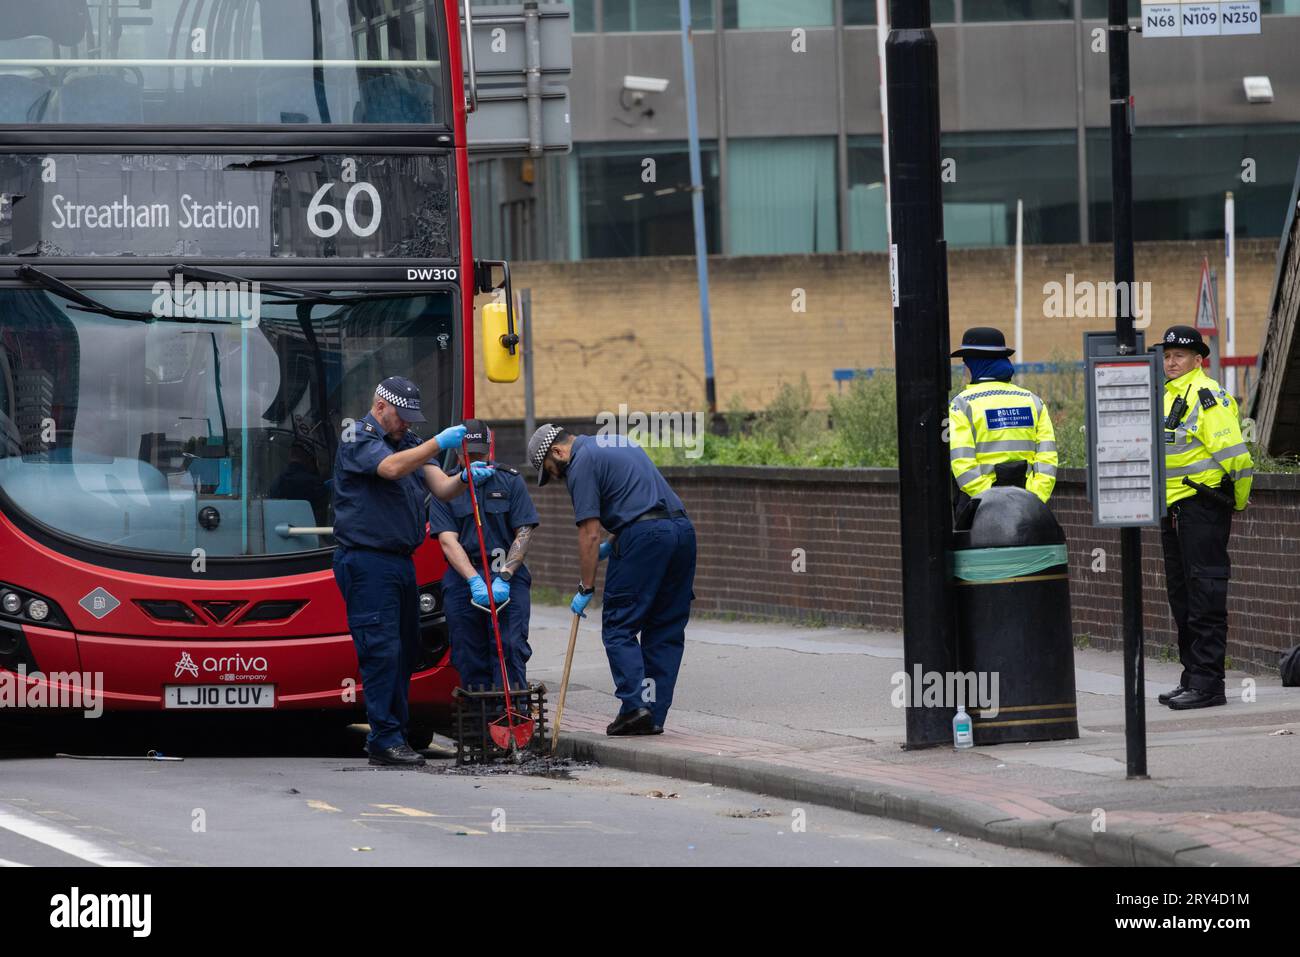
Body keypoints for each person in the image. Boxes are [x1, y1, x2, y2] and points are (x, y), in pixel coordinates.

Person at [331, 377, 492, 766]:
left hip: (399, 562)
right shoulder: (358, 435)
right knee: (381, 649)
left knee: (404, 651)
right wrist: (437, 442)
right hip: (367, 561)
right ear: (381, 407)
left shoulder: (407, 441)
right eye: (401, 417)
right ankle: (386, 739)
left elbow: (441, 488)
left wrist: (465, 479)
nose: (406, 424)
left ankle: (394, 735)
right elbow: (388, 469)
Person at [526, 424, 696, 736]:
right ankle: (653, 714)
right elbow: (640, 496)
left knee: (620, 625)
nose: (557, 479)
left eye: (552, 472)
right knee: (664, 628)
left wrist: (585, 587)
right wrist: (615, 540)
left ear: (557, 452)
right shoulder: (615, 442)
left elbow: (589, 534)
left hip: (643, 538)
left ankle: (634, 707)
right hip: (682, 532)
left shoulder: (580, 463)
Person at [1155, 326, 1253, 711]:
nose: (1171, 362)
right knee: (1182, 597)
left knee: (1206, 596)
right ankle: (1191, 677)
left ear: (1199, 360)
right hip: (1175, 510)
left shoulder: (1207, 396)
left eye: (1179, 355)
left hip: (1201, 507)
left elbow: (1238, 458)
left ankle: (1209, 684)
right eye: (1167, 356)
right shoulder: (1167, 397)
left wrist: (1237, 502)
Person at [428, 419, 539, 694]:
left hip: (507, 576)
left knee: (510, 647)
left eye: (480, 452)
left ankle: (513, 722)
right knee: (468, 651)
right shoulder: (446, 490)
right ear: (457, 452)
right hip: (464, 579)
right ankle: (480, 726)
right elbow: (447, 540)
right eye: (469, 453)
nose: (475, 459)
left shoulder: (511, 481)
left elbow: (523, 532)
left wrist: (505, 575)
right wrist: (474, 581)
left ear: (490, 449)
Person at [947, 327, 1057, 517]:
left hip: (979, 511)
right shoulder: (1033, 402)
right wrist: (1034, 497)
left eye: (965, 363)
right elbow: (1047, 459)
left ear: (974, 364)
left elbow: (963, 464)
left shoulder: (962, 405)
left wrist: (992, 500)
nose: (964, 370)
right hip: (1030, 509)